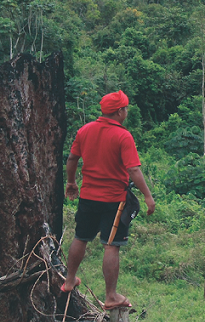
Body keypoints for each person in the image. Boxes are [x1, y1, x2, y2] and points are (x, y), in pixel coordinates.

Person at [62, 90, 156, 310]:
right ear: (120, 111)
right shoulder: (123, 136)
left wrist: (71, 183)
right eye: (126, 108)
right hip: (114, 200)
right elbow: (133, 169)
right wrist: (148, 196)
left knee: (81, 237)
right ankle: (111, 295)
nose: (127, 112)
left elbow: (73, 158)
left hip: (88, 196)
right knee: (111, 246)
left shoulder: (85, 131)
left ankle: (69, 280)